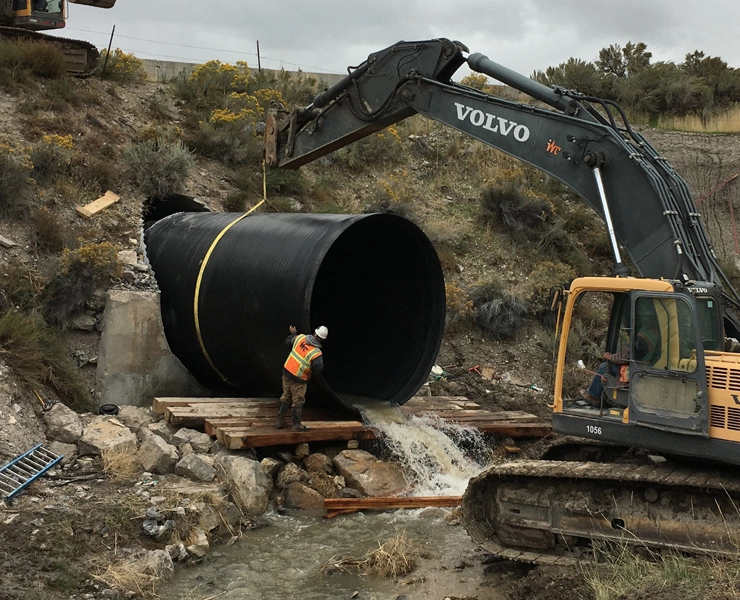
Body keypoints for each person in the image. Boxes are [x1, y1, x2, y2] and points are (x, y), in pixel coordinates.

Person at [581, 323, 660, 407]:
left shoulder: (643, 339)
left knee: (604, 367)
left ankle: (593, 396)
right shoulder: (656, 336)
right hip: (643, 368)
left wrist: (610, 356)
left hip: (633, 371)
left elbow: (624, 357)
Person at [276, 324, 328, 431]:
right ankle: (296, 425)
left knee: (285, 396)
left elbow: (288, 341)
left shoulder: (301, 338)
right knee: (298, 401)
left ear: (314, 332)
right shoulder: (316, 353)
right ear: (322, 340)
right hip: (298, 379)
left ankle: (279, 421)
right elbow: (318, 369)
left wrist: (293, 333)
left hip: (286, 372)